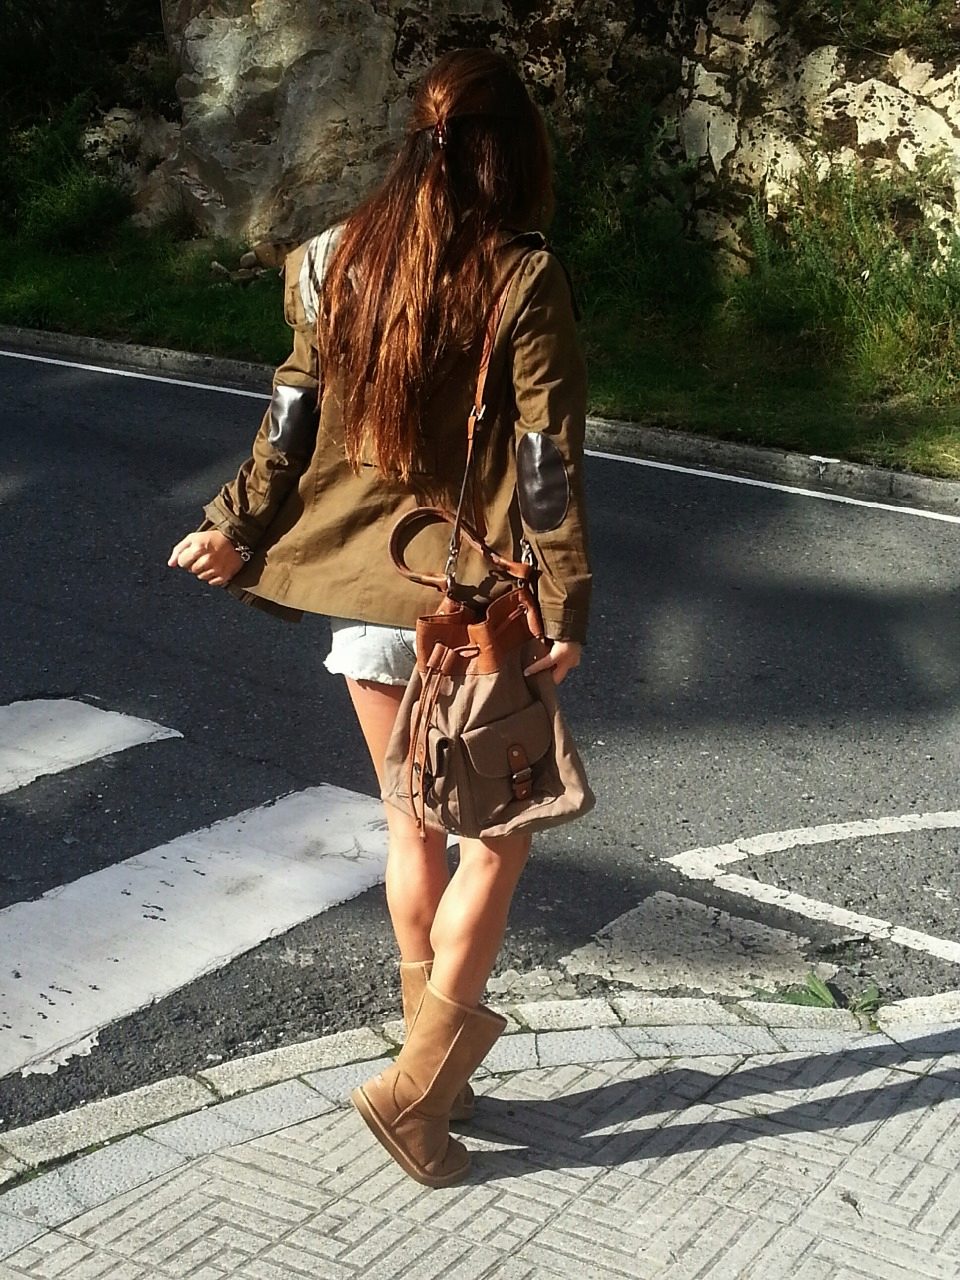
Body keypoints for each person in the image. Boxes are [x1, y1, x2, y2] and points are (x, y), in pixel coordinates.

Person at [168, 47, 591, 1188]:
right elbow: (545, 464)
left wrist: (236, 523)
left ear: (418, 144)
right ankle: (417, 1091)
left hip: (366, 601)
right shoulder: (523, 277)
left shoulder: (334, 259)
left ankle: (430, 1074)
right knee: (497, 839)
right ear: (514, 156)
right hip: (474, 603)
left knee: (411, 829)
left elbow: (290, 416)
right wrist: (566, 597)